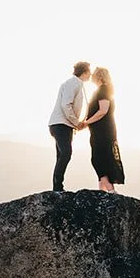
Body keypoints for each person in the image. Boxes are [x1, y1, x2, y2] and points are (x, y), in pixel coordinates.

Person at [47, 61, 91, 191]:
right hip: (61, 124)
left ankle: (57, 187)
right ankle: (58, 187)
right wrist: (77, 123)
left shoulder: (75, 83)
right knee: (66, 153)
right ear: (84, 72)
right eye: (89, 71)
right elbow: (66, 104)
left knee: (61, 155)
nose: (91, 74)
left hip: (61, 124)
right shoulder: (74, 83)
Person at [83, 66, 124, 191]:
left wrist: (86, 123)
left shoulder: (103, 91)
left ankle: (111, 191)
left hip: (103, 131)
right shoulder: (106, 91)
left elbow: (102, 111)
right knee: (102, 157)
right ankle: (102, 192)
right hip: (101, 131)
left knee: (99, 159)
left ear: (99, 77)